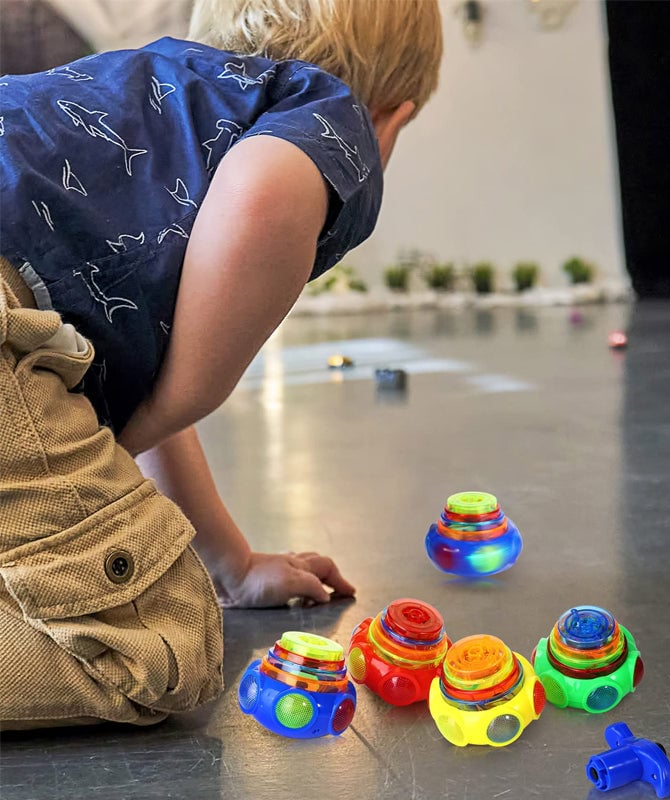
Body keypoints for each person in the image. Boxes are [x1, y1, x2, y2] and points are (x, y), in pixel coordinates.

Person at [0, 0, 443, 729]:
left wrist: (231, 563)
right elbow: (266, 184)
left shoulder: (162, 95)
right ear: (390, 120)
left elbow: (148, 381)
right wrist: (173, 406)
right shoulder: (329, 117)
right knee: (158, 648)